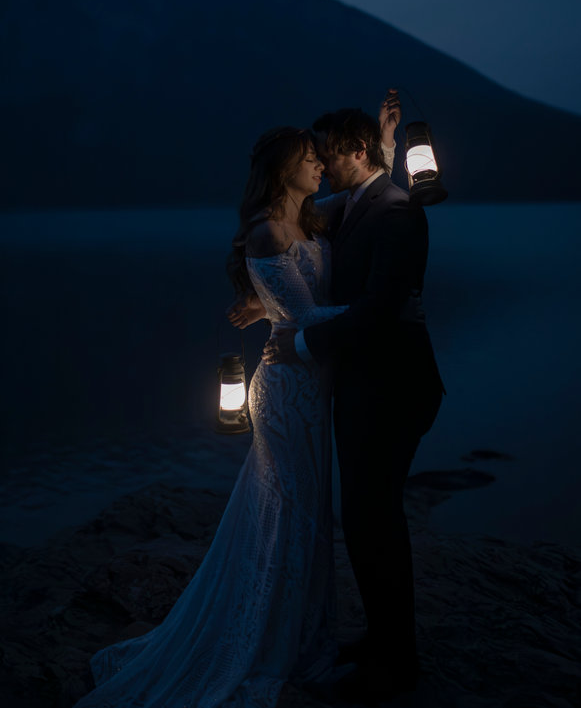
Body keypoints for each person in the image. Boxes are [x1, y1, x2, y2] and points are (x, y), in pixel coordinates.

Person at [73, 123, 388, 708]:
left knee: (309, 516)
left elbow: (370, 190)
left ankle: (300, 633)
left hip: (316, 389)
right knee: (288, 516)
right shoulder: (267, 232)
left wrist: (387, 143)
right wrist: (383, 308)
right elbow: (307, 318)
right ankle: (268, 645)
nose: (319, 164)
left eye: (321, 157)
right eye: (308, 159)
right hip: (289, 391)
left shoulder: (312, 219)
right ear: (279, 171)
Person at [262, 101, 445, 705]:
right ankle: (381, 640)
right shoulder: (361, 205)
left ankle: (398, 661)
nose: (321, 163)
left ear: (355, 153)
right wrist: (261, 299)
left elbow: (381, 311)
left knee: (378, 523)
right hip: (366, 388)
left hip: (393, 390)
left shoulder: (395, 213)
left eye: (327, 153)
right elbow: (300, 223)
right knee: (366, 522)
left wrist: (303, 342)